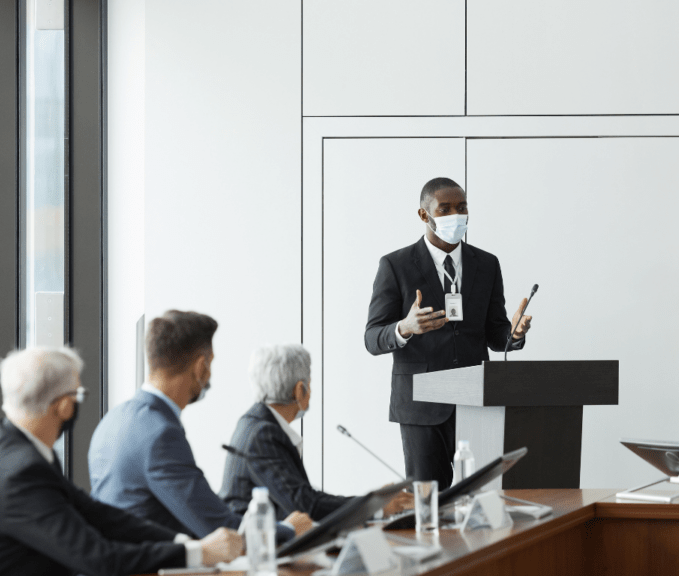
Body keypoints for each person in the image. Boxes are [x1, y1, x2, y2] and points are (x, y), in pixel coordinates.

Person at [0, 346, 242, 576]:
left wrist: (185, 544)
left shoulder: (11, 446)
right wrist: (198, 553)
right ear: (64, 405)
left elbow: (99, 515)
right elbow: (101, 559)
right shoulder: (19, 472)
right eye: (78, 395)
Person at [364, 177, 534, 489]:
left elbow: (497, 336)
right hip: (421, 407)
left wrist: (515, 333)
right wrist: (404, 328)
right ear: (423, 215)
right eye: (445, 209)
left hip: (477, 402)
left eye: (462, 207)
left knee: (485, 500)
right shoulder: (395, 265)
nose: (456, 215)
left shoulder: (486, 264)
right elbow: (372, 338)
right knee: (430, 503)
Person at [89, 311, 312, 543]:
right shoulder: (161, 434)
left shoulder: (111, 421)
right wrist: (289, 529)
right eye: (211, 363)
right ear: (200, 367)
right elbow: (217, 528)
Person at [221, 344, 414, 520]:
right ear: (299, 390)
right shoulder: (263, 434)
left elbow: (304, 496)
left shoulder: (256, 424)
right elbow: (306, 505)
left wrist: (373, 500)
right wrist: (375, 505)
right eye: (309, 383)